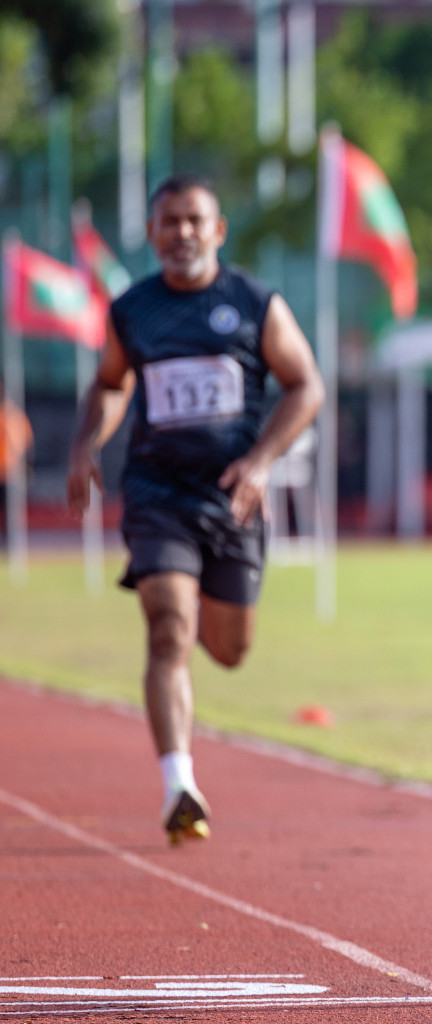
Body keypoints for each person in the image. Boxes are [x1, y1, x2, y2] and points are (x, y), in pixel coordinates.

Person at [66, 176, 323, 844]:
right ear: (152, 234)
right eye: (169, 222)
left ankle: (200, 624)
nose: (181, 233)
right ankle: (178, 782)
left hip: (233, 499)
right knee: (167, 628)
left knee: (230, 650)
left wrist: (263, 460)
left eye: (193, 220)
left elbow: (306, 386)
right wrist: (86, 444)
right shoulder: (133, 310)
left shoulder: (254, 303)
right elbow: (110, 384)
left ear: (217, 230)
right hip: (158, 494)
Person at [0, 398, 31, 541]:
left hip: (8, 472)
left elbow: (21, 443)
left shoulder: (13, 416)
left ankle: (11, 541)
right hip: (8, 470)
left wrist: (19, 463)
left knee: (11, 511)